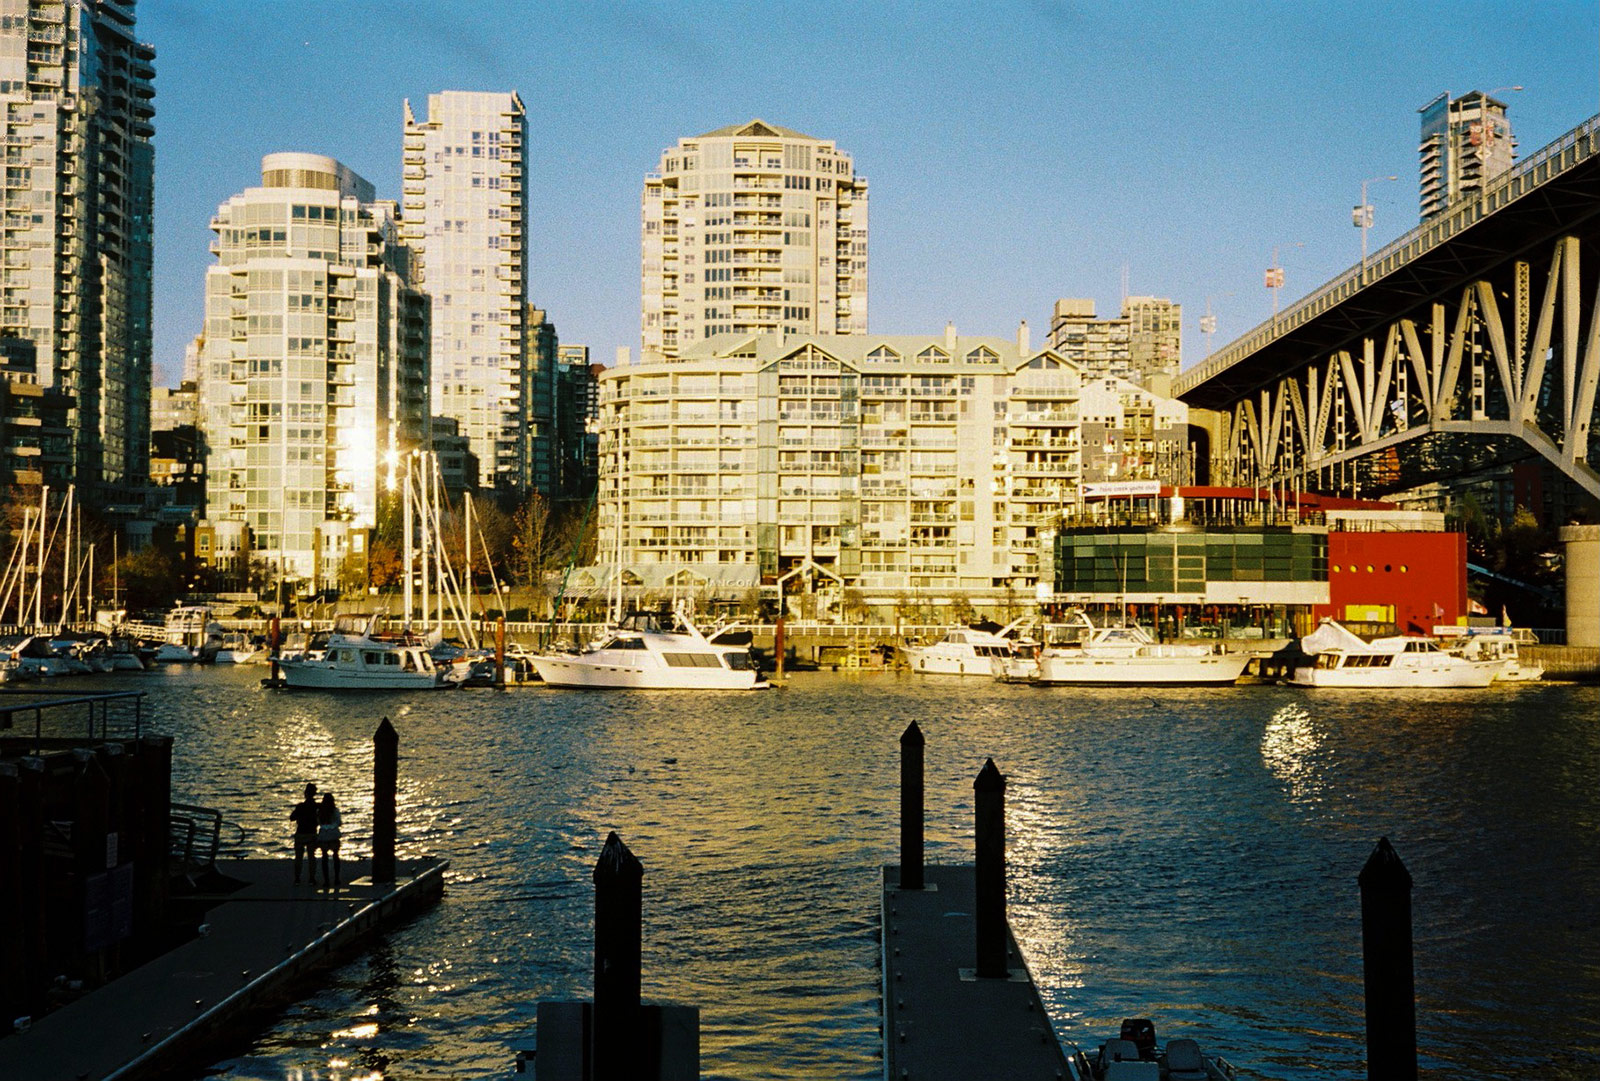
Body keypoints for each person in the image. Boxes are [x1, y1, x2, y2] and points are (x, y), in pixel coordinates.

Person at [289, 782, 318, 884]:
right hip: (311, 834)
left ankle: (297, 878)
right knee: (311, 857)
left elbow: (292, 818)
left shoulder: (300, 806)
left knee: (298, 858)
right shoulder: (316, 806)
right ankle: (312, 879)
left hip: (300, 833)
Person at [317, 792, 343, 888]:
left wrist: (325, 827)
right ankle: (336, 878)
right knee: (336, 856)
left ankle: (326, 880)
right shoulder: (335, 810)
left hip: (324, 834)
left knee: (324, 857)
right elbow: (339, 822)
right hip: (333, 834)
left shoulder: (320, 811)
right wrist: (332, 826)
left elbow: (318, 822)